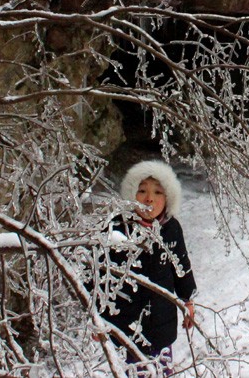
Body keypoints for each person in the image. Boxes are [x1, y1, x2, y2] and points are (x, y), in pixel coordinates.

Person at [103, 160, 197, 375]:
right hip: (128, 318)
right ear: (131, 194)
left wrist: (188, 300)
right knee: (135, 368)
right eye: (142, 190)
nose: (149, 199)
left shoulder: (171, 229)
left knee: (162, 368)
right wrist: (99, 318)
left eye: (158, 193)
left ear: (168, 199)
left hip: (162, 317)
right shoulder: (118, 228)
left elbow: (181, 266)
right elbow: (101, 275)